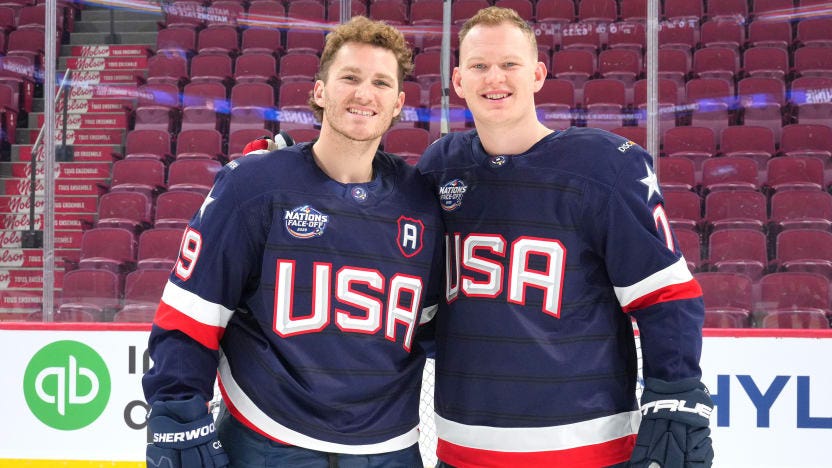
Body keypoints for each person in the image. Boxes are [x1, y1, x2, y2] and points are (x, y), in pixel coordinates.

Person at [416, 7, 714, 468]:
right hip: (464, 448)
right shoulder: (440, 167)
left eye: (509, 64)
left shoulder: (605, 166)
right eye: (479, 66)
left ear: (537, 74)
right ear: (458, 80)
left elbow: (665, 296)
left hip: (586, 451)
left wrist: (676, 391)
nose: (494, 77)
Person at [142, 16, 444, 468]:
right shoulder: (254, 185)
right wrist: (178, 415)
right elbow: (192, 313)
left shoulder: (421, 202)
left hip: (388, 450)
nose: (364, 93)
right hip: (267, 442)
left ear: (398, 102)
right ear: (320, 91)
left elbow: (433, 329)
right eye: (349, 77)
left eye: (381, 82)